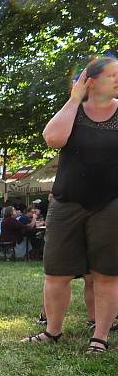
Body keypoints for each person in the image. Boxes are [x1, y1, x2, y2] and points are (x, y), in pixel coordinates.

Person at [22, 56, 118, 353]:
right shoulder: (74, 112)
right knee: (56, 273)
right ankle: (52, 332)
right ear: (91, 81)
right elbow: (53, 138)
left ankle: (99, 337)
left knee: (107, 273)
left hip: (111, 204)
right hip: (67, 202)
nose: (117, 79)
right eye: (112, 74)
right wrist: (74, 99)